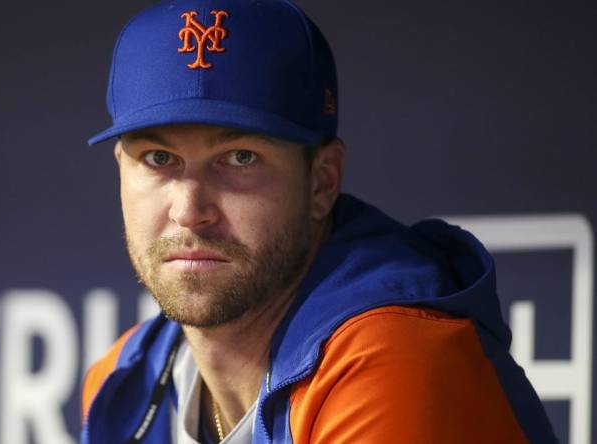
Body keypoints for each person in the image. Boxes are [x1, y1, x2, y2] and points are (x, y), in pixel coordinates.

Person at [81, 1, 556, 442]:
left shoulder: (395, 360)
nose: (189, 209)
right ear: (121, 168)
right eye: (159, 158)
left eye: (240, 157)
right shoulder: (124, 381)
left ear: (322, 182)